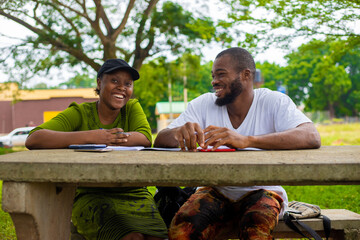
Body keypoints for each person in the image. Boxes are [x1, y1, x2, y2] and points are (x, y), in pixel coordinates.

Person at [154, 47, 321, 240]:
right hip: (214, 189)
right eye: (213, 75)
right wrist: (178, 133)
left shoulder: (273, 101)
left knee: (255, 233)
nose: (214, 81)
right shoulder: (203, 104)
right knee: (181, 232)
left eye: (221, 74)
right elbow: (161, 139)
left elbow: (310, 136)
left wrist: (247, 140)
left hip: (263, 190)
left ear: (246, 75)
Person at [26, 59, 168, 240]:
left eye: (128, 84)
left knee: (157, 237)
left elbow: (145, 138)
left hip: (134, 193)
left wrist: (108, 138)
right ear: (99, 83)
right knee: (132, 238)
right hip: (91, 195)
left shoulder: (131, 108)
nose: (122, 88)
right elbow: (35, 138)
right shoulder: (80, 113)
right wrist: (92, 136)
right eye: (114, 81)